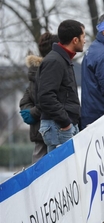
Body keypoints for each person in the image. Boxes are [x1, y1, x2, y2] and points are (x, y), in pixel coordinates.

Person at [36, 20, 86, 152]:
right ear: (75, 40)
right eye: (83, 37)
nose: (85, 41)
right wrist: (65, 122)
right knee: (65, 172)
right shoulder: (55, 61)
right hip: (59, 127)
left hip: (62, 126)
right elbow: (46, 96)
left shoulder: (62, 59)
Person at [19, 32, 59, 162]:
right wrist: (36, 112)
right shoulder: (51, 72)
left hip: (40, 133)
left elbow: (25, 101)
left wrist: (32, 113)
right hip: (55, 131)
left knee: (38, 172)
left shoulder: (35, 73)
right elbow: (48, 100)